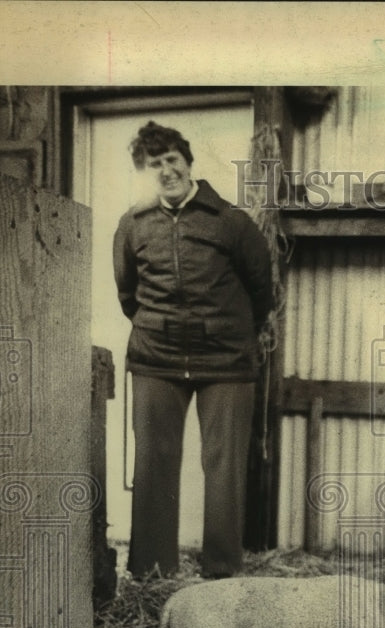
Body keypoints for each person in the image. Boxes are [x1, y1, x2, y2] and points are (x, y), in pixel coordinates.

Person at [113, 121, 272, 579]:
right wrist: (159, 329)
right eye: (154, 164)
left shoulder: (231, 222)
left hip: (226, 362)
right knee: (153, 464)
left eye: (171, 160)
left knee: (223, 468)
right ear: (145, 173)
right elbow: (129, 294)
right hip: (155, 358)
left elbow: (262, 293)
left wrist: (225, 333)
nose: (166, 171)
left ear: (187, 161)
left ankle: (221, 575)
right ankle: (151, 576)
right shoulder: (132, 224)